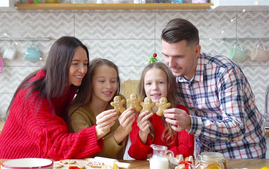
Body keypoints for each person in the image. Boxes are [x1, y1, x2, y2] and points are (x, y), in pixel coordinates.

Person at [0, 36, 118, 160]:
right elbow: (57, 146)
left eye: (85, 64)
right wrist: (98, 131)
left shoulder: (67, 87)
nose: (82, 70)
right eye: (75, 63)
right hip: (18, 161)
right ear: (60, 63)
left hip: (43, 161)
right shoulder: (34, 95)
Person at [161, 18, 267, 159]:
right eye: (166, 56)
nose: (171, 63)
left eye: (178, 56)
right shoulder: (171, 75)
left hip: (243, 153)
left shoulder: (225, 71)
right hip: (206, 155)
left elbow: (237, 129)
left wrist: (190, 122)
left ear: (196, 51)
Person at [68, 58, 136, 159]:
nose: (109, 86)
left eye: (113, 81)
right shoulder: (77, 113)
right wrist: (122, 131)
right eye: (101, 81)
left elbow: (121, 151)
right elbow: (91, 155)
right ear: (90, 83)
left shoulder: (119, 102)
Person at [128, 62, 194, 160]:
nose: (154, 87)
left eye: (161, 82)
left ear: (170, 86)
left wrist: (158, 158)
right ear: (144, 88)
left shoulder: (179, 112)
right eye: (149, 83)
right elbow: (136, 155)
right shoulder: (137, 115)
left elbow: (186, 150)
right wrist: (143, 134)